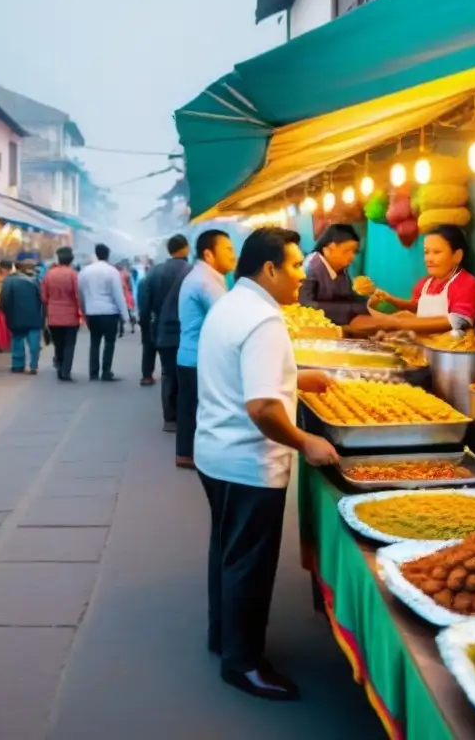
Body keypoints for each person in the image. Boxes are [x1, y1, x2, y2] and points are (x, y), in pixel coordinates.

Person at [195, 227, 339, 701]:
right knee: (249, 563)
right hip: (246, 461)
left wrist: (297, 375)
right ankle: (244, 663)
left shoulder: (233, 304)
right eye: (297, 266)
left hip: (215, 452)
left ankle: (224, 638)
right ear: (271, 268)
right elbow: (261, 407)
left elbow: (247, 374)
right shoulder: (264, 321)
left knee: (227, 551)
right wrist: (305, 442)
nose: (302, 275)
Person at [175, 229, 235, 470]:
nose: (233, 255)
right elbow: (228, 316)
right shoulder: (204, 281)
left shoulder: (206, 277)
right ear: (209, 254)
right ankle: (189, 455)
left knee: (190, 407)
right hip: (196, 358)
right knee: (196, 409)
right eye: (228, 250)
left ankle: (186, 453)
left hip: (191, 355)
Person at [369, 224, 475, 335]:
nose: (429, 259)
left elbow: (457, 321)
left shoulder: (468, 284)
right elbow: (416, 307)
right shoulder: (423, 284)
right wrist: (392, 300)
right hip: (421, 345)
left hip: (449, 351)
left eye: (436, 252)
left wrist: (399, 323)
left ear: (457, 256)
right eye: (426, 252)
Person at [138, 234, 191, 430]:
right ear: (185, 248)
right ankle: (187, 415)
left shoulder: (153, 273)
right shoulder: (192, 272)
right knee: (188, 374)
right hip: (189, 331)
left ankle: (170, 418)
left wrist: (147, 331)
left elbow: (145, 306)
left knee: (168, 373)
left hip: (163, 331)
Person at [298, 223, 368, 330]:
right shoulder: (312, 267)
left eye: (354, 251)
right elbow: (305, 305)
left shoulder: (340, 268)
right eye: (347, 251)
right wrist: (354, 308)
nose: (352, 256)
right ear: (328, 249)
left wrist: (368, 301)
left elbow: (347, 296)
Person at [77, 243, 129, 381]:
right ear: (107, 255)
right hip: (109, 312)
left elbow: (81, 293)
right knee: (109, 342)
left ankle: (93, 372)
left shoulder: (85, 271)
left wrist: (83, 310)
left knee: (94, 342)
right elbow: (118, 294)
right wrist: (125, 315)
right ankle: (106, 371)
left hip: (92, 311)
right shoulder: (112, 271)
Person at [42, 246, 82, 381]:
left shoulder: (49, 274)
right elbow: (78, 296)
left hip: (54, 315)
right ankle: (65, 370)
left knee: (58, 343)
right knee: (69, 344)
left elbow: (44, 296)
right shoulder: (73, 274)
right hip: (71, 315)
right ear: (71, 260)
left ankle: (59, 364)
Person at [0, 258, 44, 375]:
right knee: (34, 343)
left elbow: (4, 298)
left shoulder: (9, 281)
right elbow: (43, 299)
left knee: (17, 340)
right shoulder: (37, 281)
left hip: (16, 317)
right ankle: (33, 365)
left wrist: (6, 312)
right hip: (34, 317)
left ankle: (18, 365)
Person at [118, 261, 136, 337]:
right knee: (129, 311)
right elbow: (130, 286)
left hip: (120, 295)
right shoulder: (127, 274)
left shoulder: (115, 274)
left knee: (120, 313)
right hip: (127, 295)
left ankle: (121, 330)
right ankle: (132, 326)